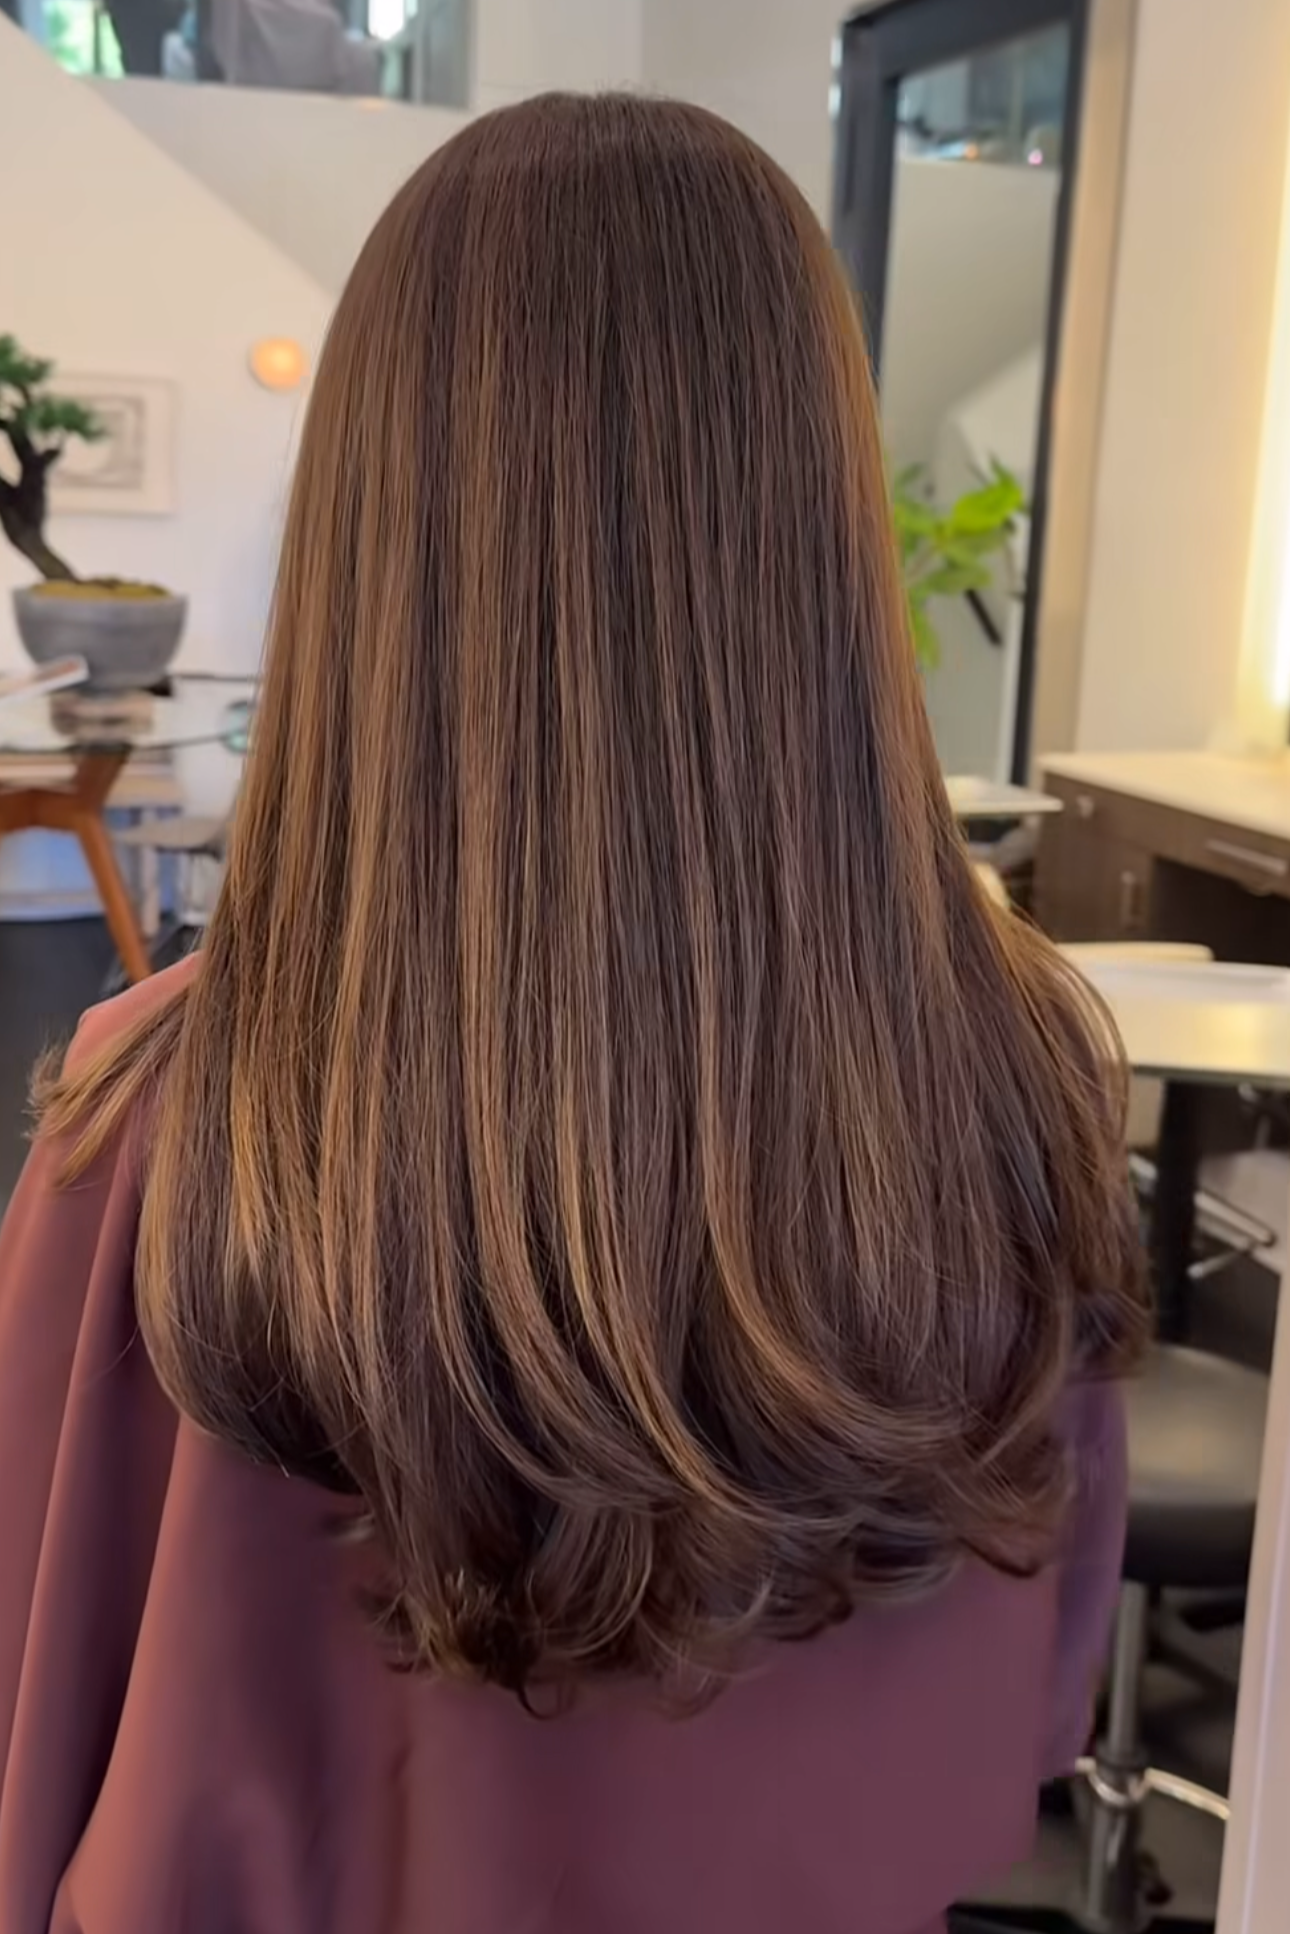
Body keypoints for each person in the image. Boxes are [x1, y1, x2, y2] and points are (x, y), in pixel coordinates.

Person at [0, 94, 1146, 1934]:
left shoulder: (158, 1125)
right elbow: (1016, 1714)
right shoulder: (1009, 1088)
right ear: (822, 525)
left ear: (373, 522)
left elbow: (32, 1745)